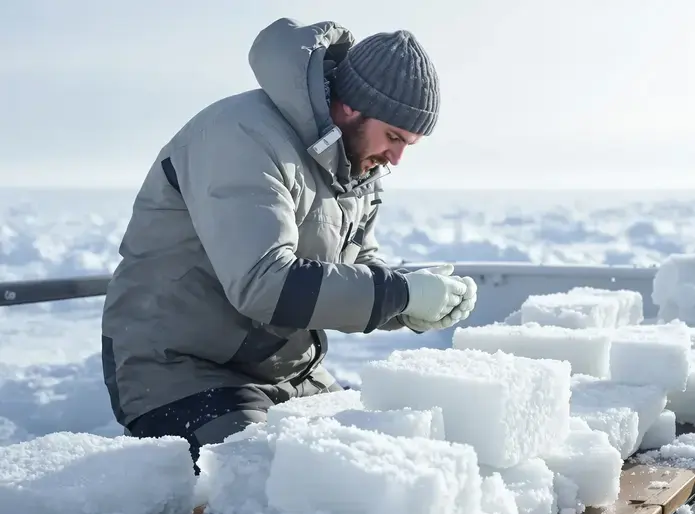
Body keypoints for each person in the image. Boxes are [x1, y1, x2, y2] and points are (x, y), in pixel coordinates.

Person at [99, 17, 476, 466]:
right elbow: (264, 283)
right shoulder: (241, 136)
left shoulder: (354, 164)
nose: (396, 157)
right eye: (394, 136)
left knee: (382, 460)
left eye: (409, 143)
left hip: (288, 373)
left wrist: (413, 300)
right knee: (270, 481)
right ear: (351, 107)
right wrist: (399, 294)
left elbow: (357, 267)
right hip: (180, 372)